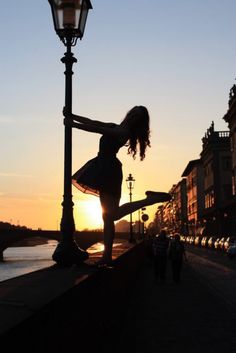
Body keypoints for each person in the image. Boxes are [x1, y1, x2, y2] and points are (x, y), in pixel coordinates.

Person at [64, 106, 171, 266]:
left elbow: (96, 129)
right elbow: (93, 122)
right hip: (102, 167)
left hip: (109, 171)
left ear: (138, 122)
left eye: (137, 116)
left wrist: (73, 125)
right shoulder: (115, 126)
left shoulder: (124, 133)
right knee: (108, 217)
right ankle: (106, 256)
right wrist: (73, 116)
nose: (133, 115)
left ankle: (148, 200)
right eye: (133, 112)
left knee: (111, 215)